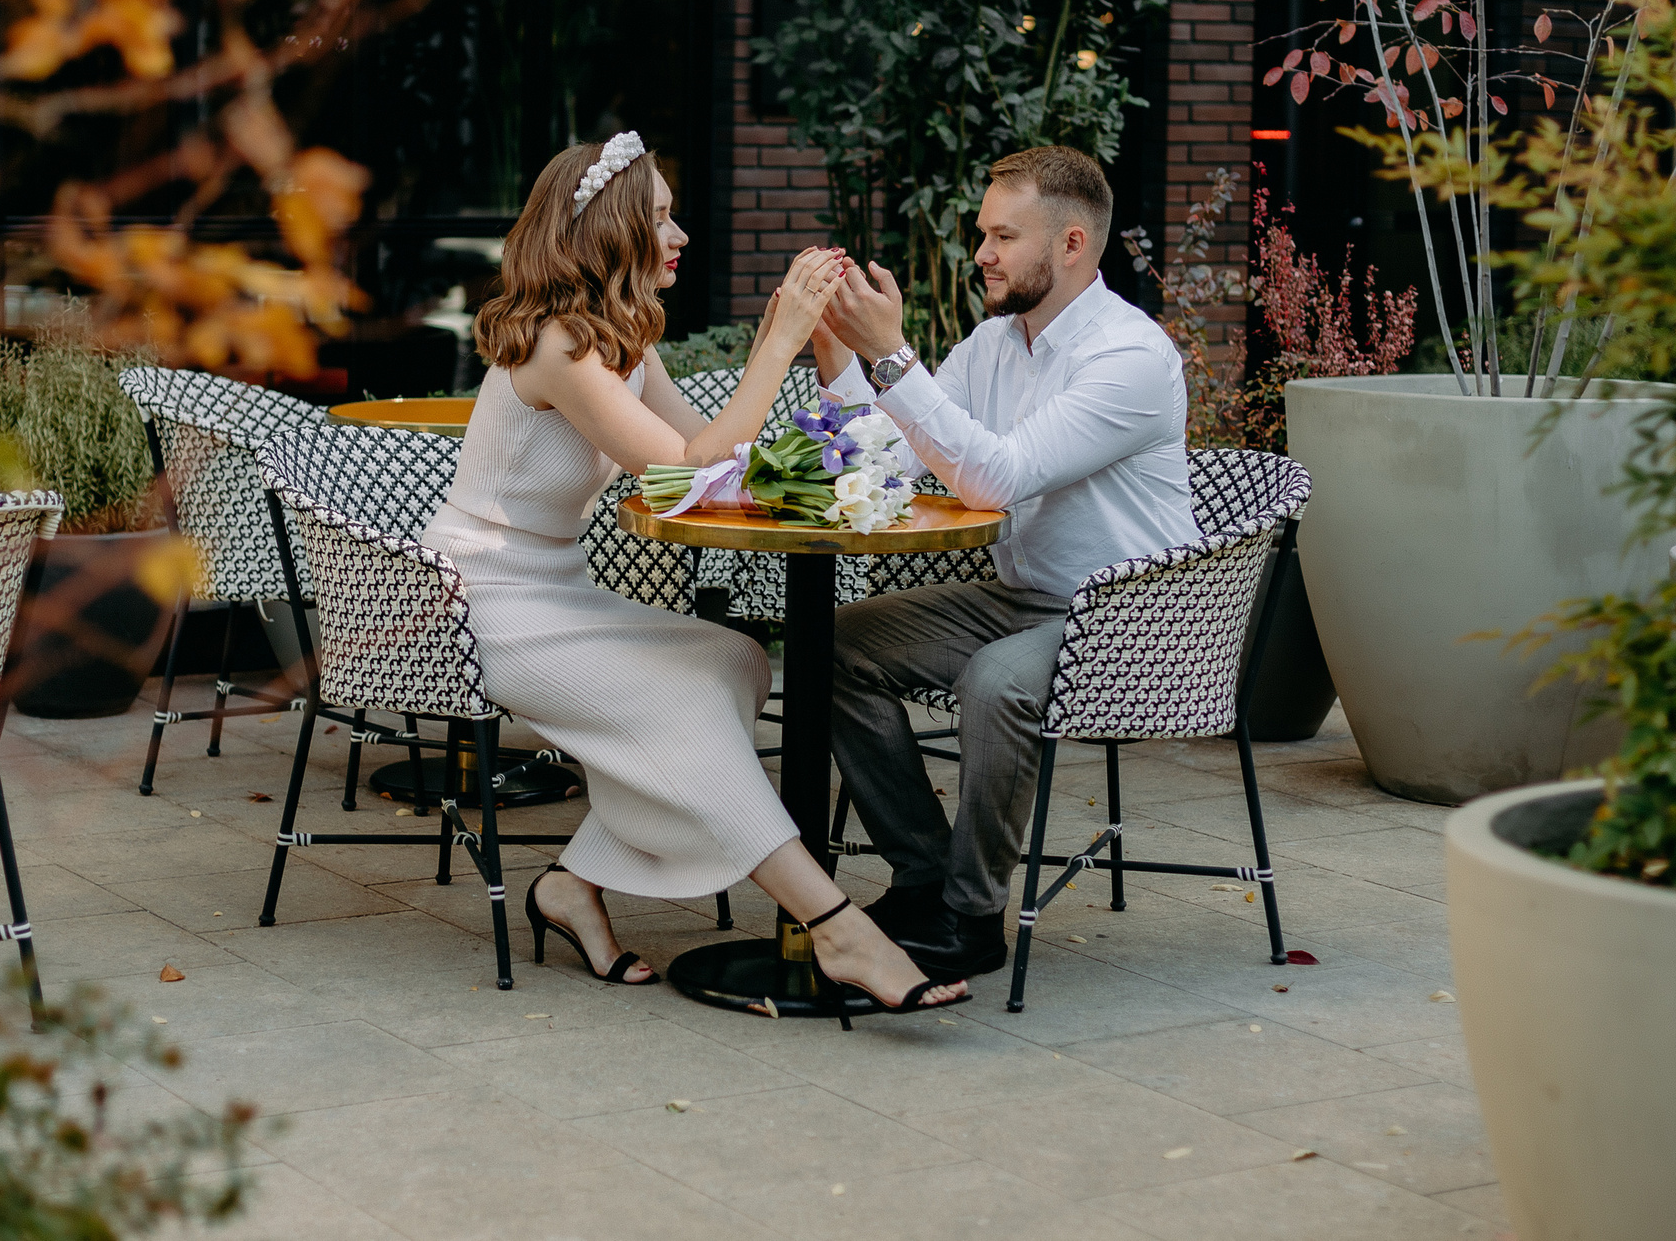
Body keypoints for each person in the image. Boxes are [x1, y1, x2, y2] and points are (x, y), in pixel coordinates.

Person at [422, 131, 966, 1017]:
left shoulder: (622, 340)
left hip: (553, 590)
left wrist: (798, 362)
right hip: (479, 602)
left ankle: (570, 881)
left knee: (736, 659)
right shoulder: (561, 344)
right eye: (661, 219)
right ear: (609, 231)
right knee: (679, 703)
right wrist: (776, 340)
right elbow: (677, 470)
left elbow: (716, 464)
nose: (679, 238)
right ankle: (835, 926)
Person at [813, 145, 1194, 979]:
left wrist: (892, 357)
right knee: (832, 642)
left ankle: (973, 912)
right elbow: (888, 463)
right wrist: (838, 354)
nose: (980, 253)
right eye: (982, 233)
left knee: (996, 678)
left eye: (1002, 236)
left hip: (1133, 617)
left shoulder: (1127, 358)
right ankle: (923, 877)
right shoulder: (994, 345)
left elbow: (999, 476)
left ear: (1071, 245)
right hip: (1026, 597)